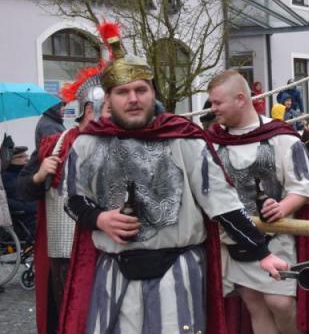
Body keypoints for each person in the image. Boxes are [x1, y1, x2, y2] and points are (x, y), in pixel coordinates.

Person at [60, 22, 287, 334]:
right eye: (123, 92)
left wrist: (261, 252)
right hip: (114, 270)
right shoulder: (87, 144)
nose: (133, 99)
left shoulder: (184, 139)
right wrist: (100, 219)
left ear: (153, 93)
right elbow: (73, 200)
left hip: (175, 270)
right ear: (109, 99)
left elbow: (220, 202)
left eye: (141, 90)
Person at [205, 70, 309, 334]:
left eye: (217, 103)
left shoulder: (281, 137)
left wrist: (281, 207)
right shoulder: (214, 142)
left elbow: (303, 187)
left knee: (280, 302)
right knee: (254, 305)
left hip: (277, 239)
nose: (213, 109)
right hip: (235, 243)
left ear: (240, 99)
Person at [17, 65, 107, 334]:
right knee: (68, 321)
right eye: (110, 109)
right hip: (65, 254)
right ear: (91, 110)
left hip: (106, 251)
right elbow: (22, 189)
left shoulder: (117, 143)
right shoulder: (54, 144)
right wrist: (38, 176)